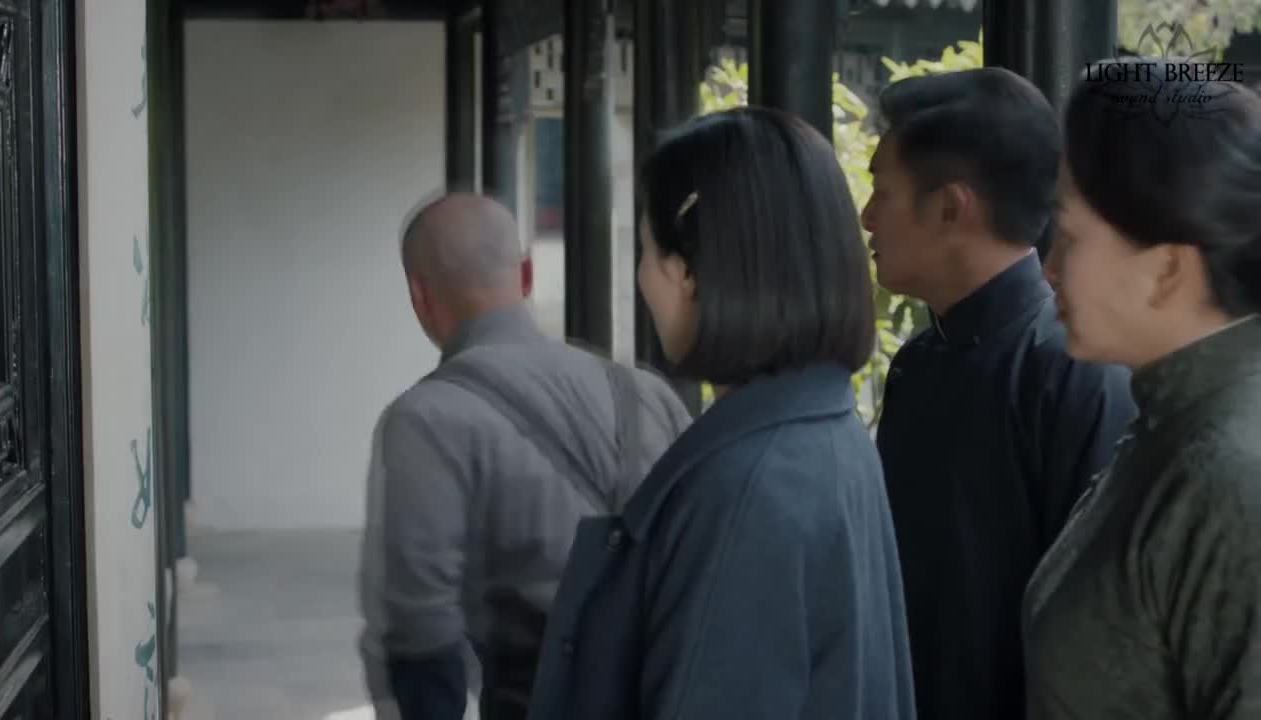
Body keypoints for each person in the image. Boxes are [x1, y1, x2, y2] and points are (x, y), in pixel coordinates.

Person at [526, 106, 916, 720]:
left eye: (646, 250)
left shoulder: (747, 486)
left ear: (688, 273)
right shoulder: (821, 431)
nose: (642, 276)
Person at [861, 67, 1137, 720]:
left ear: (951, 206)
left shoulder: (1076, 371)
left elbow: (1100, 628)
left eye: (882, 191)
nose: (866, 216)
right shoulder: (918, 363)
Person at [358, 192, 692, 720]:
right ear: (528, 273)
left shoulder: (426, 419)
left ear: (418, 295)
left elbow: (419, 629)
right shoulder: (647, 394)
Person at [1024, 58, 1261, 719]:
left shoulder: (1230, 472)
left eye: (1068, 236)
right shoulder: (1178, 423)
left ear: (1166, 270)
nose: (1047, 268)